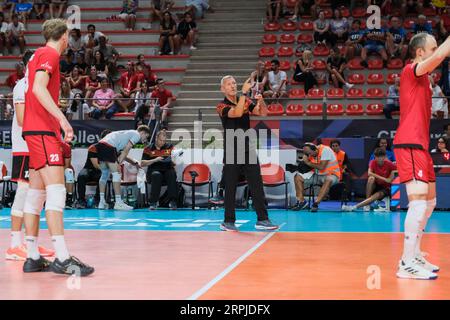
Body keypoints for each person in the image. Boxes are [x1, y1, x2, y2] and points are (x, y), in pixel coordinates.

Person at [21, 19, 94, 276]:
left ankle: (31, 256)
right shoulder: (50, 54)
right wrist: (62, 120)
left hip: (35, 130)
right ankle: (62, 257)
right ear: (64, 37)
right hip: (42, 130)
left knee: (36, 194)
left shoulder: (37, 55)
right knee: (56, 191)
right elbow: (39, 88)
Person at [392, 32, 450, 280]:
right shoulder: (410, 70)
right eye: (432, 47)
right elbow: (439, 56)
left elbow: (437, 57)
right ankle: (406, 263)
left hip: (421, 147)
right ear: (419, 53)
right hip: (409, 144)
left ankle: (414, 254)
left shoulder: (425, 79)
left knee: (429, 203)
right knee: (416, 203)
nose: (435, 50)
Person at [5, 50, 54, 261]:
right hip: (25, 146)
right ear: (29, 64)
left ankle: (29, 242)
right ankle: (15, 245)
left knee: (36, 196)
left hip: (35, 145)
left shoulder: (35, 85)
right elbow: (23, 120)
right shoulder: (22, 86)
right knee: (24, 193)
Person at [216, 75, 278, 231]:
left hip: (247, 148)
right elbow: (236, 113)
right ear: (222, 89)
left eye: (234, 83)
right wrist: (244, 94)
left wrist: (260, 100)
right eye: (229, 84)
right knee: (230, 186)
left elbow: (263, 113)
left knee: (256, 184)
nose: (233, 86)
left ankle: (262, 219)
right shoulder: (221, 106)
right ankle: (228, 221)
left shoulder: (245, 101)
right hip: (231, 149)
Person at [96, 126, 151, 210]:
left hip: (100, 145)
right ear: (142, 133)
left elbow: (121, 154)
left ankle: (101, 202)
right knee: (117, 174)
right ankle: (118, 203)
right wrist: (118, 164)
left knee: (104, 174)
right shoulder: (136, 135)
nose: (144, 139)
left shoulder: (126, 134)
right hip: (108, 146)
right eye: (145, 136)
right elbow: (126, 150)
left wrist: (133, 162)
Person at [342, 148, 397, 212]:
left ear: (385, 157)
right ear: (375, 157)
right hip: (376, 185)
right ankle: (367, 205)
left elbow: (398, 170)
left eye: (382, 157)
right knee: (371, 178)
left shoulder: (389, 163)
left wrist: (392, 173)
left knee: (377, 194)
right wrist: (385, 179)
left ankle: (353, 207)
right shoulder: (373, 162)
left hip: (386, 188)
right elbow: (369, 173)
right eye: (378, 157)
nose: (380, 159)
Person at [292, 142, 341, 212]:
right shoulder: (309, 153)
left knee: (328, 180)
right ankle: (301, 202)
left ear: (315, 150)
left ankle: (316, 203)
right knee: (297, 176)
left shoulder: (325, 150)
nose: (309, 155)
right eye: (307, 154)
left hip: (332, 175)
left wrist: (308, 162)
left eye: (310, 153)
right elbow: (306, 165)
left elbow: (321, 167)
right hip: (317, 175)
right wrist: (297, 167)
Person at [140, 130, 178, 209]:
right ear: (156, 138)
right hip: (154, 171)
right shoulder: (148, 148)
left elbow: (174, 160)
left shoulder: (170, 146)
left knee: (172, 173)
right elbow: (142, 163)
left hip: (167, 170)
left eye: (164, 141)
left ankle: (173, 201)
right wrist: (155, 160)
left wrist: (173, 158)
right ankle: (153, 202)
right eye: (161, 140)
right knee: (156, 175)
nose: (162, 142)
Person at [75, 129, 112, 209]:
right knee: (81, 176)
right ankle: (81, 201)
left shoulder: (112, 149)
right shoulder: (93, 147)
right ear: (102, 138)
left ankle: (98, 200)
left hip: (100, 171)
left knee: (104, 176)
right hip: (89, 169)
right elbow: (96, 165)